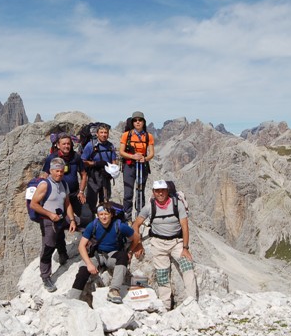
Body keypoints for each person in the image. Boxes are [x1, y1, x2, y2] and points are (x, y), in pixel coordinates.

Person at [132, 180, 197, 310]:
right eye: (157, 191)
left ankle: (192, 302)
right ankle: (165, 306)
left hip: (176, 242)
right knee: (162, 274)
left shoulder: (177, 205)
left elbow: (185, 227)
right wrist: (138, 244)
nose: (160, 193)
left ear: (167, 191)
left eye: (163, 190)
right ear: (153, 192)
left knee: (187, 266)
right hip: (158, 243)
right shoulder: (149, 207)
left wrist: (185, 248)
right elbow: (136, 225)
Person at [69, 202, 143, 304]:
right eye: (101, 214)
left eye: (106, 214)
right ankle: (72, 298)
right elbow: (81, 246)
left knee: (123, 256)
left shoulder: (119, 225)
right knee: (83, 271)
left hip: (112, 254)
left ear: (111, 215)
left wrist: (130, 251)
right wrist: (89, 264)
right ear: (98, 216)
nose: (104, 217)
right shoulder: (93, 225)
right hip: (96, 255)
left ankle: (114, 290)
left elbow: (136, 237)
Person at [30, 157, 78, 292]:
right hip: (48, 219)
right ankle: (45, 277)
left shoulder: (64, 184)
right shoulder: (45, 184)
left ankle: (64, 255)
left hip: (61, 216)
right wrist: (49, 214)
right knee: (48, 247)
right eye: (57, 171)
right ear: (51, 171)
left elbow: (67, 203)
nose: (59, 174)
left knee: (83, 223)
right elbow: (34, 204)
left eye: (62, 171)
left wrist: (73, 220)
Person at [42, 132, 89, 226]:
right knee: (59, 222)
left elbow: (84, 175)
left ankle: (87, 237)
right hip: (58, 195)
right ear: (58, 145)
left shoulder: (76, 157)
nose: (66, 146)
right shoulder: (52, 158)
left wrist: (81, 192)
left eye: (68, 143)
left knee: (87, 215)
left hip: (74, 193)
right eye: (64, 144)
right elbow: (45, 175)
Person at [119, 111, 154, 221]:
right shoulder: (126, 135)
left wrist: (145, 158)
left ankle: (140, 217)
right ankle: (127, 217)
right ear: (132, 122)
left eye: (140, 120)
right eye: (135, 120)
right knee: (128, 192)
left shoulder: (149, 136)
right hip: (129, 166)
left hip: (142, 166)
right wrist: (133, 156)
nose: (138, 122)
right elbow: (121, 152)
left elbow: (152, 153)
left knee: (140, 192)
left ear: (143, 122)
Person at [81, 123, 117, 215]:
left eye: (106, 132)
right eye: (101, 132)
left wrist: (112, 170)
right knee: (91, 199)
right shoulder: (90, 145)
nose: (104, 135)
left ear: (108, 134)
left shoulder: (110, 146)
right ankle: (90, 219)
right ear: (97, 134)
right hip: (94, 176)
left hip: (106, 175)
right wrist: (95, 163)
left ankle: (103, 219)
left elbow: (114, 160)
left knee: (105, 199)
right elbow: (83, 160)